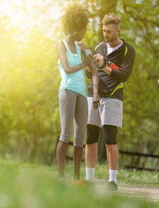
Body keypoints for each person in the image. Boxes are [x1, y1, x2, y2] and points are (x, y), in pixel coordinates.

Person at [84, 13, 136, 191]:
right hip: (93, 95)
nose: (105, 34)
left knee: (110, 140)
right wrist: (88, 64)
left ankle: (112, 181)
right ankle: (88, 180)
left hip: (113, 97)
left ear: (118, 31)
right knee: (90, 138)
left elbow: (123, 74)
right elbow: (89, 73)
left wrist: (104, 64)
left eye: (109, 31)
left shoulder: (128, 50)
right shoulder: (98, 46)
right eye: (104, 30)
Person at [55, 4, 99, 182]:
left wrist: (87, 53)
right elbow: (67, 68)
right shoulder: (61, 44)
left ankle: (76, 178)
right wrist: (83, 63)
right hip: (67, 90)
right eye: (82, 29)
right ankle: (60, 177)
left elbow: (93, 70)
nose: (84, 33)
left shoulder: (81, 48)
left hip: (82, 93)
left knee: (80, 136)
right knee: (66, 133)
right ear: (74, 28)